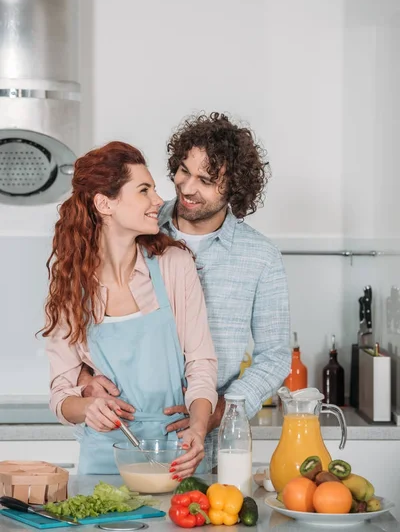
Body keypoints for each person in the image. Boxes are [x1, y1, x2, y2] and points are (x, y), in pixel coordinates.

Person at [79, 112, 291, 467]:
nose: (188, 187)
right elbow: (76, 322)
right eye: (183, 171)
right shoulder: (135, 223)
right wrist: (84, 377)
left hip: (206, 445)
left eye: (206, 180)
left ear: (234, 189)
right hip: (124, 432)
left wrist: (219, 410)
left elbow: (274, 357)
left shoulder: (260, 257)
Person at [41, 141, 218, 477]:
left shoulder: (174, 266)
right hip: (103, 458)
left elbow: (201, 362)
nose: (158, 201)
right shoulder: (69, 283)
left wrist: (197, 428)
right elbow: (61, 394)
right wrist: (89, 406)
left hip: (174, 453)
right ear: (105, 203)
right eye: (144, 190)